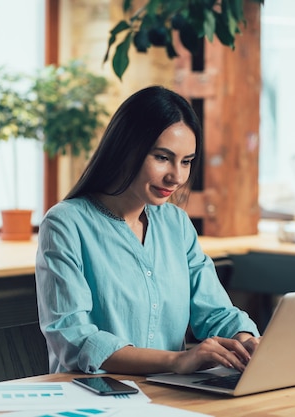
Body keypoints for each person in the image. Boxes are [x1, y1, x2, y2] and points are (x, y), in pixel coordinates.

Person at [35, 85, 260, 376]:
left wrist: (247, 342)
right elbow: (75, 339)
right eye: (162, 157)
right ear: (127, 148)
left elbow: (215, 312)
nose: (176, 176)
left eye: (186, 162)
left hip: (169, 396)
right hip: (95, 398)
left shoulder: (175, 224)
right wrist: (177, 362)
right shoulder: (66, 224)